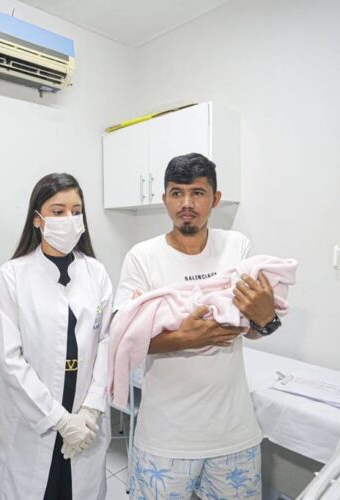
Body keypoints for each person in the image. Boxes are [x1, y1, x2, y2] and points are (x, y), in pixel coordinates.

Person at [114, 153, 283, 500]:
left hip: (233, 433)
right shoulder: (142, 257)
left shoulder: (237, 247)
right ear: (164, 199)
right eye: (176, 193)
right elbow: (123, 336)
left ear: (215, 199)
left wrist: (268, 320)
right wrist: (183, 339)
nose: (186, 204)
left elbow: (250, 328)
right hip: (165, 437)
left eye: (198, 193)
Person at [0, 173, 112, 500]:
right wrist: (61, 421)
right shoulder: (13, 275)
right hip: (34, 419)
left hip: (85, 419)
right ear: (38, 219)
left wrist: (89, 412)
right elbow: (11, 362)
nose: (69, 219)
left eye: (76, 211)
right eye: (58, 211)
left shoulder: (96, 273)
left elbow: (107, 343)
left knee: (77, 490)